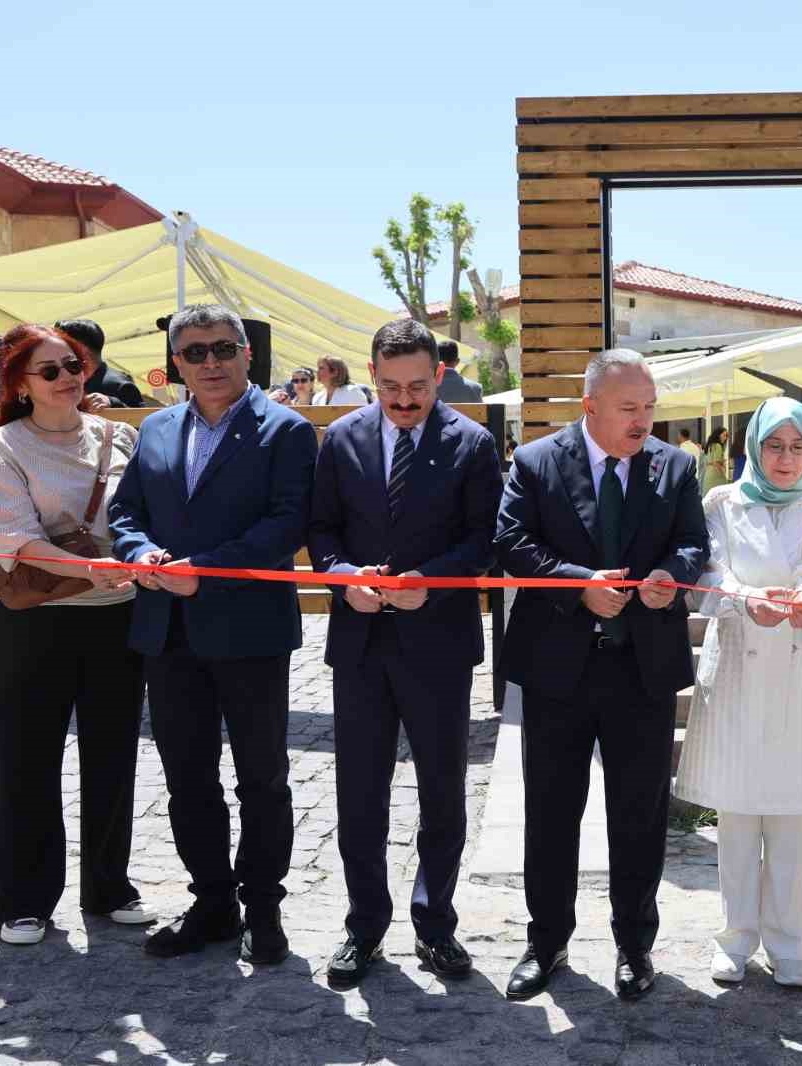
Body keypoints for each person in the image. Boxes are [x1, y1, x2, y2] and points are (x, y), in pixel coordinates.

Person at [108, 303, 318, 964]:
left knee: (263, 780)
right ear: (176, 362)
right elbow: (126, 511)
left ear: (247, 354)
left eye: (223, 348)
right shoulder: (158, 428)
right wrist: (138, 552)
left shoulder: (285, 430)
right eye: (194, 352)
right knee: (188, 780)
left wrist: (209, 573)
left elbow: (287, 525)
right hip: (169, 634)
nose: (210, 363)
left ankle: (263, 910)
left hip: (249, 629)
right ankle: (213, 904)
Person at [495, 349, 707, 1002]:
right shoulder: (535, 463)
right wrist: (578, 587)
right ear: (590, 406)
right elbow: (511, 543)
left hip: (640, 671)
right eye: (629, 408)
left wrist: (675, 575)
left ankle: (634, 947)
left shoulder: (675, 467)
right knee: (551, 813)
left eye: (649, 407)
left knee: (639, 817)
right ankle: (547, 941)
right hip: (559, 669)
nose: (644, 420)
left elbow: (694, 543)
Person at [307, 319, 503, 989]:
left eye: (417, 386)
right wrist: (342, 577)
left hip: (438, 643)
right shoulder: (341, 440)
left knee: (442, 792)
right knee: (359, 793)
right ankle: (364, 927)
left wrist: (436, 583)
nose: (403, 400)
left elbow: (485, 540)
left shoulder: (474, 444)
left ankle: (435, 922)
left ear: (439, 377)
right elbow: (321, 531)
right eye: (390, 387)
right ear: (370, 374)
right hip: (360, 643)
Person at [675, 398, 802, 989]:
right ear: (752, 446)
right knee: (737, 811)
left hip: (798, 667)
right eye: (773, 445)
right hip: (738, 668)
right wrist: (745, 599)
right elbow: (710, 570)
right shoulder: (722, 501)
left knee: (788, 813)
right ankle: (735, 939)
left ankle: (788, 944)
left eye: (797, 446)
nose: (784, 458)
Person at [0, 324, 150, 946]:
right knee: (27, 758)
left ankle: (109, 884)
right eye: (51, 370)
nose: (68, 378)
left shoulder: (122, 436)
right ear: (21, 384)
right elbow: (16, 538)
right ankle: (24, 896)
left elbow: (142, 517)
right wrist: (92, 567)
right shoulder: (5, 446)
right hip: (36, 620)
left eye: (74, 365)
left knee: (114, 754)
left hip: (117, 615)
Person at [55, 319, 143, 410]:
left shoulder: (119, 386)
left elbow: (145, 421)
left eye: (61, 344)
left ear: (81, 349)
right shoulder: (60, 383)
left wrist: (113, 404)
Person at [701, 426, 731, 494]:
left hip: (708, 474)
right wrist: (723, 471)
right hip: (716, 475)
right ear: (718, 435)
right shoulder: (718, 446)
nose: (725, 438)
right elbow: (716, 462)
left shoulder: (709, 446)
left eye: (726, 436)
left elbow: (708, 461)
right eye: (724, 435)